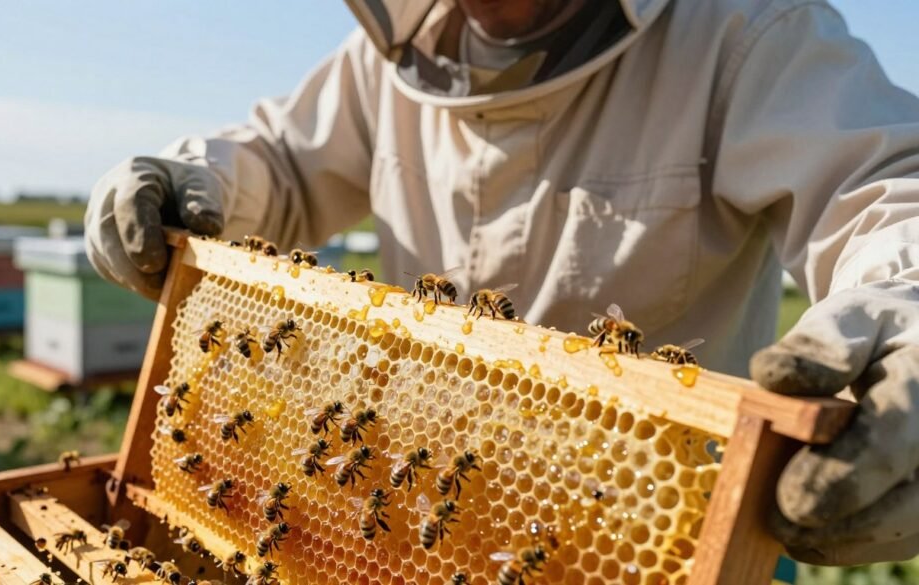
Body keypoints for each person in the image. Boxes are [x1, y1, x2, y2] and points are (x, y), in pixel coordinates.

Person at [86, 0, 919, 568]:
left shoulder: (745, 34)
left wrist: (906, 308)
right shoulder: (388, 62)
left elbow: (887, 188)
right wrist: (194, 178)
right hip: (410, 520)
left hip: (660, 538)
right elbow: (279, 163)